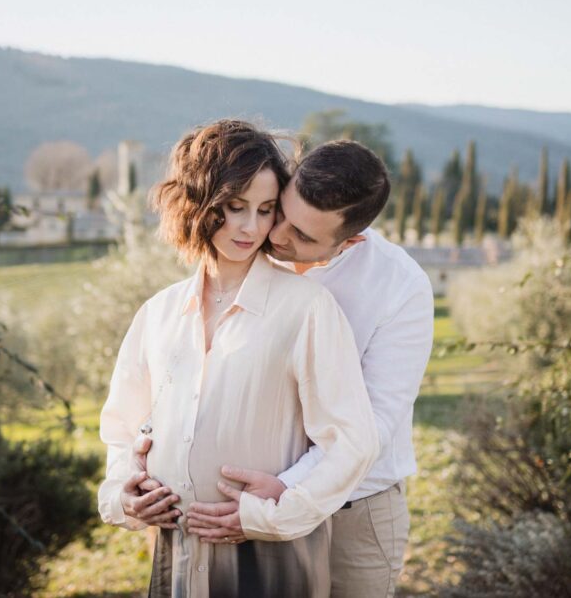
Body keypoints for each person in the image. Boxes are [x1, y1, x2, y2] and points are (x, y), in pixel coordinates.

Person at [97, 120, 379, 597]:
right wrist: (123, 494)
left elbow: (352, 442)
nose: (250, 227)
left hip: (272, 556)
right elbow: (122, 430)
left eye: (266, 210)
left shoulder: (307, 309)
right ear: (197, 203)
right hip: (178, 552)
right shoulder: (158, 313)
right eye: (234, 207)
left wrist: (271, 515)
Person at [145, 139, 434, 597]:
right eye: (281, 213)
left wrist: (284, 490)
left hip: (355, 512)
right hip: (243, 509)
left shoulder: (401, 288)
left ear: (349, 240)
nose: (277, 238)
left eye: (304, 237)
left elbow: (374, 424)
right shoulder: (248, 244)